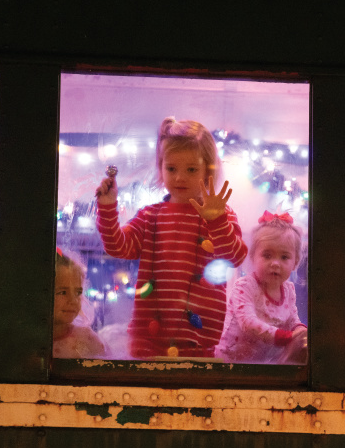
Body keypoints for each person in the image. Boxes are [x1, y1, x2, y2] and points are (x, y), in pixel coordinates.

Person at [95, 116, 248, 358]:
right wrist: (107, 207)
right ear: (161, 168)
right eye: (171, 168)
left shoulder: (220, 214)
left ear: (208, 170)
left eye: (191, 169)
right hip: (149, 333)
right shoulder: (150, 216)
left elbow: (234, 257)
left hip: (200, 336)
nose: (179, 177)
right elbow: (118, 247)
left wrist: (217, 220)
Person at [217, 211, 307, 363]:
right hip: (231, 362)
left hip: (263, 363)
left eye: (284, 257)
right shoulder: (245, 286)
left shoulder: (289, 290)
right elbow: (247, 322)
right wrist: (285, 337)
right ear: (253, 257)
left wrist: (300, 330)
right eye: (267, 255)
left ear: (295, 262)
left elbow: (292, 318)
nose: (275, 263)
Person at [53, 248, 106, 359]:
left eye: (78, 293)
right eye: (63, 292)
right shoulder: (26, 339)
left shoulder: (87, 338)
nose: (74, 300)